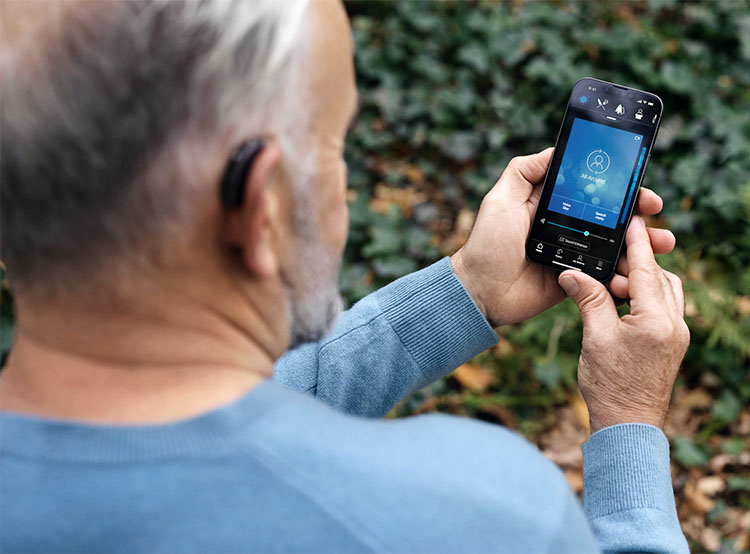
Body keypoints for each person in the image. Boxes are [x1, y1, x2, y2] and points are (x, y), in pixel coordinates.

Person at [0, 1, 691, 552]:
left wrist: (466, 292)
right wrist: (627, 418)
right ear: (260, 205)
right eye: (334, 148)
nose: (347, 196)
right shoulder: (478, 515)